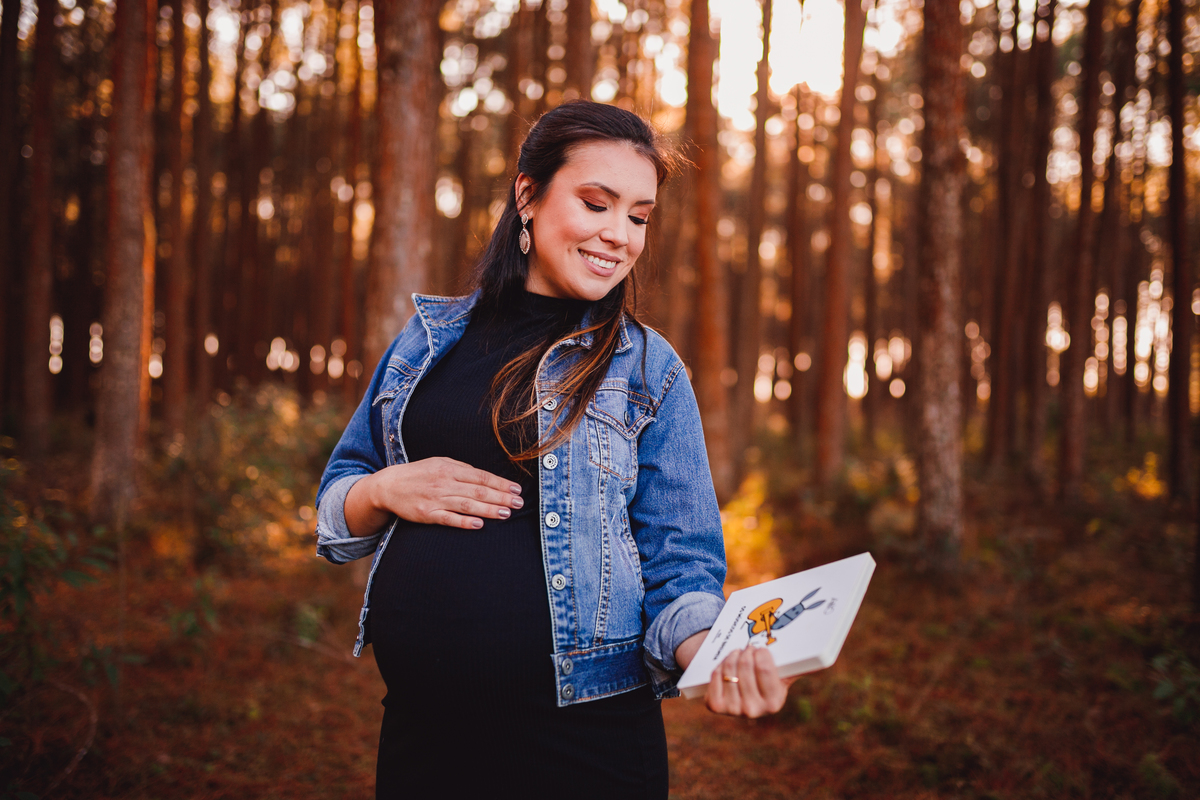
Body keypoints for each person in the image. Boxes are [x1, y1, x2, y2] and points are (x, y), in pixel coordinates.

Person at [315, 100, 790, 799]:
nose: (618, 235)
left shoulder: (648, 370)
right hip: (424, 742)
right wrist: (382, 491)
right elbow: (336, 502)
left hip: (582, 751)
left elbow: (683, 564)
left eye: (638, 216)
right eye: (596, 203)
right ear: (527, 195)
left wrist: (713, 654)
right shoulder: (425, 341)